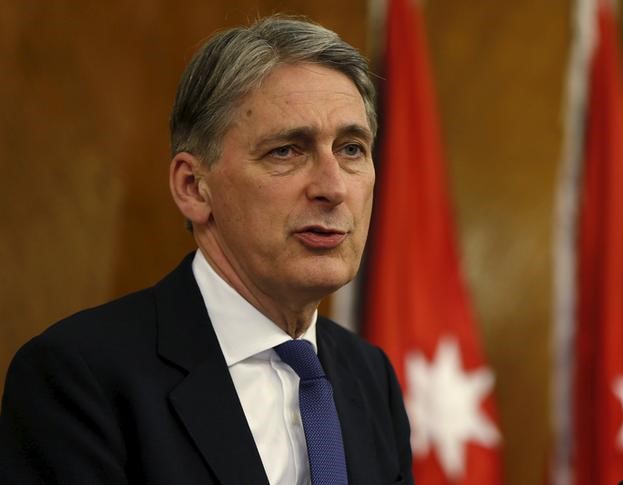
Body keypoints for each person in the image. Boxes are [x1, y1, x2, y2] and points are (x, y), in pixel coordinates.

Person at [0, 16, 412, 485]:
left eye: (352, 149)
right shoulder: (80, 377)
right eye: (286, 151)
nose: (333, 187)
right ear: (194, 187)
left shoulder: (370, 375)